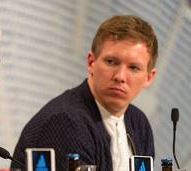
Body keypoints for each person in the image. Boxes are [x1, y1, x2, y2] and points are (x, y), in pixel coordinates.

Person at [11, 15, 158, 171]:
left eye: (133, 68)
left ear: (149, 77)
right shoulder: (66, 121)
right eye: (111, 62)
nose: (120, 77)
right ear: (91, 63)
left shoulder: (139, 124)